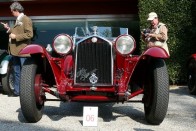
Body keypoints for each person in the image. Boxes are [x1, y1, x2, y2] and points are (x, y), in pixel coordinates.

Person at [1, 2, 33, 96]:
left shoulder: (26, 19)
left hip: (23, 51)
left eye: (12, 11)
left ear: (16, 10)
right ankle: (17, 91)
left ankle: (26, 93)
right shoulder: (18, 19)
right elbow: (16, 32)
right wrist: (8, 29)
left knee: (24, 74)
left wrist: (15, 37)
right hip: (15, 51)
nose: (11, 13)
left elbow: (29, 34)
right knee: (17, 72)